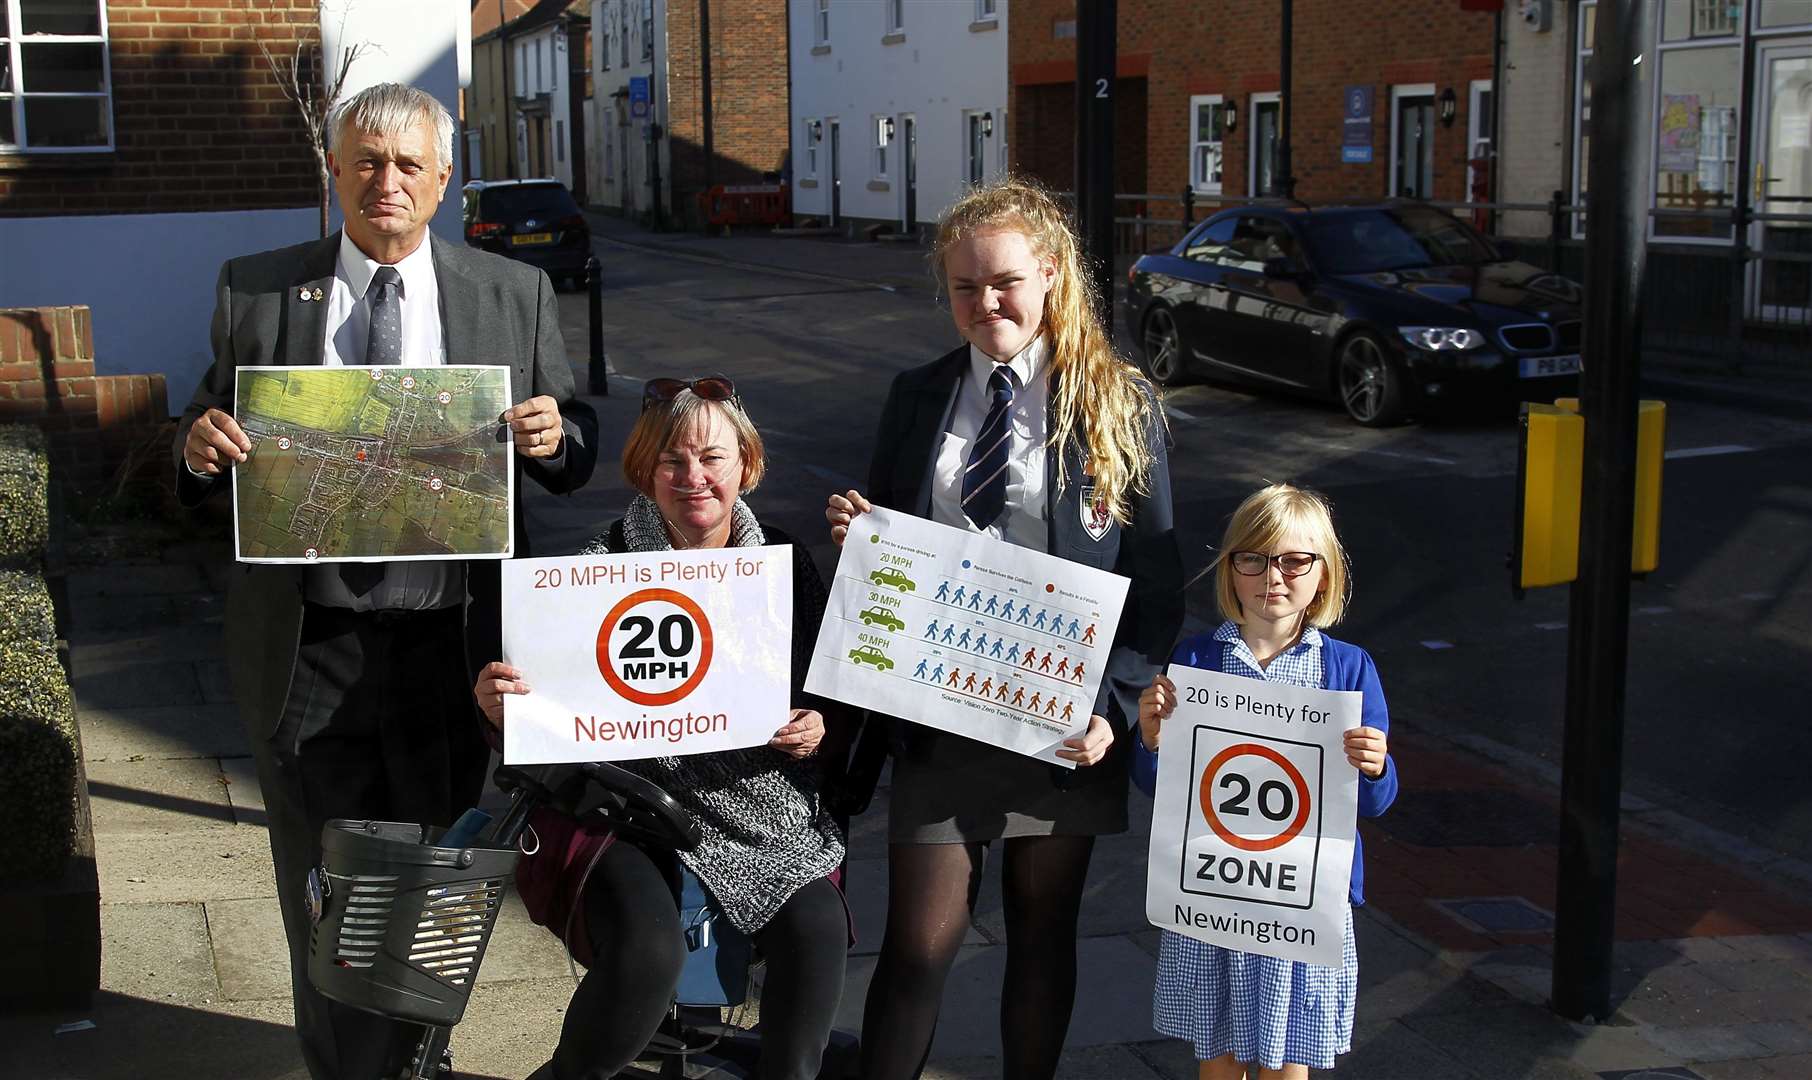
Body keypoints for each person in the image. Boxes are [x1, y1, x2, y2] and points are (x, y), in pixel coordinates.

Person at [171, 82, 598, 1080]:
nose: (386, 182)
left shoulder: (509, 294)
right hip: (309, 647)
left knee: (435, 879)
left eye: (409, 163)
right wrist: (194, 450)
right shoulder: (259, 290)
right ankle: (345, 1067)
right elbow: (194, 439)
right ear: (335, 172)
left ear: (444, 179)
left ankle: (419, 1059)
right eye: (366, 161)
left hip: (449, 652)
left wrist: (551, 437)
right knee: (323, 889)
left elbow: (574, 447)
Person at [824, 177, 1185, 1079]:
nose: (986, 303)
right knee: (917, 947)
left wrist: (1122, 699)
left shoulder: (1116, 402)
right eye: (964, 287)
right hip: (941, 710)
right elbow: (892, 543)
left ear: (1052, 274)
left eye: (1005, 282)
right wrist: (863, 536)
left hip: (1064, 716)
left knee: (1040, 936)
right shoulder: (917, 395)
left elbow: (1158, 578)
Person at [475, 377, 849, 1080]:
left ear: (748, 465)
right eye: (673, 461)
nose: (694, 478)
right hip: (623, 811)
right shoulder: (593, 569)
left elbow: (827, 693)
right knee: (650, 951)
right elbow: (538, 729)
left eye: (713, 458)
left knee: (818, 932)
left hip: (761, 809)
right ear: (646, 470)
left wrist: (816, 724)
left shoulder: (786, 566)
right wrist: (502, 711)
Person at [1130, 483, 1398, 1080]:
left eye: (1294, 560)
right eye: (1253, 558)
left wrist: (1375, 765)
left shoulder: (1348, 668)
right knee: (1219, 1062)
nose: (1272, 576)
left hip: (1302, 897)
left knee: (1287, 1067)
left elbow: (1375, 802)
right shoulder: (1197, 659)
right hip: (1214, 895)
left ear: (1323, 576)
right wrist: (1151, 738)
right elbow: (1163, 785)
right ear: (1231, 569)